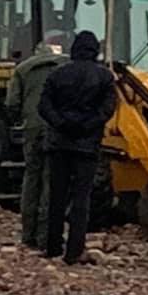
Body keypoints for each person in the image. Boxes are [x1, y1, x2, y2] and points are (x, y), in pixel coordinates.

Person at [38, 31, 116, 264]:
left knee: (57, 196)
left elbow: (44, 106)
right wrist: (87, 125)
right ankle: (74, 250)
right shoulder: (104, 77)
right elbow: (107, 109)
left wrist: (62, 123)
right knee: (82, 199)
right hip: (87, 145)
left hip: (59, 143)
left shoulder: (57, 73)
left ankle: (52, 246)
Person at [5, 40, 67, 250]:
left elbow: (12, 103)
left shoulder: (23, 69)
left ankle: (27, 234)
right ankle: (45, 235)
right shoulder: (65, 67)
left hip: (32, 127)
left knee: (31, 178)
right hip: (56, 127)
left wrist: (19, 120)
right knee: (51, 179)